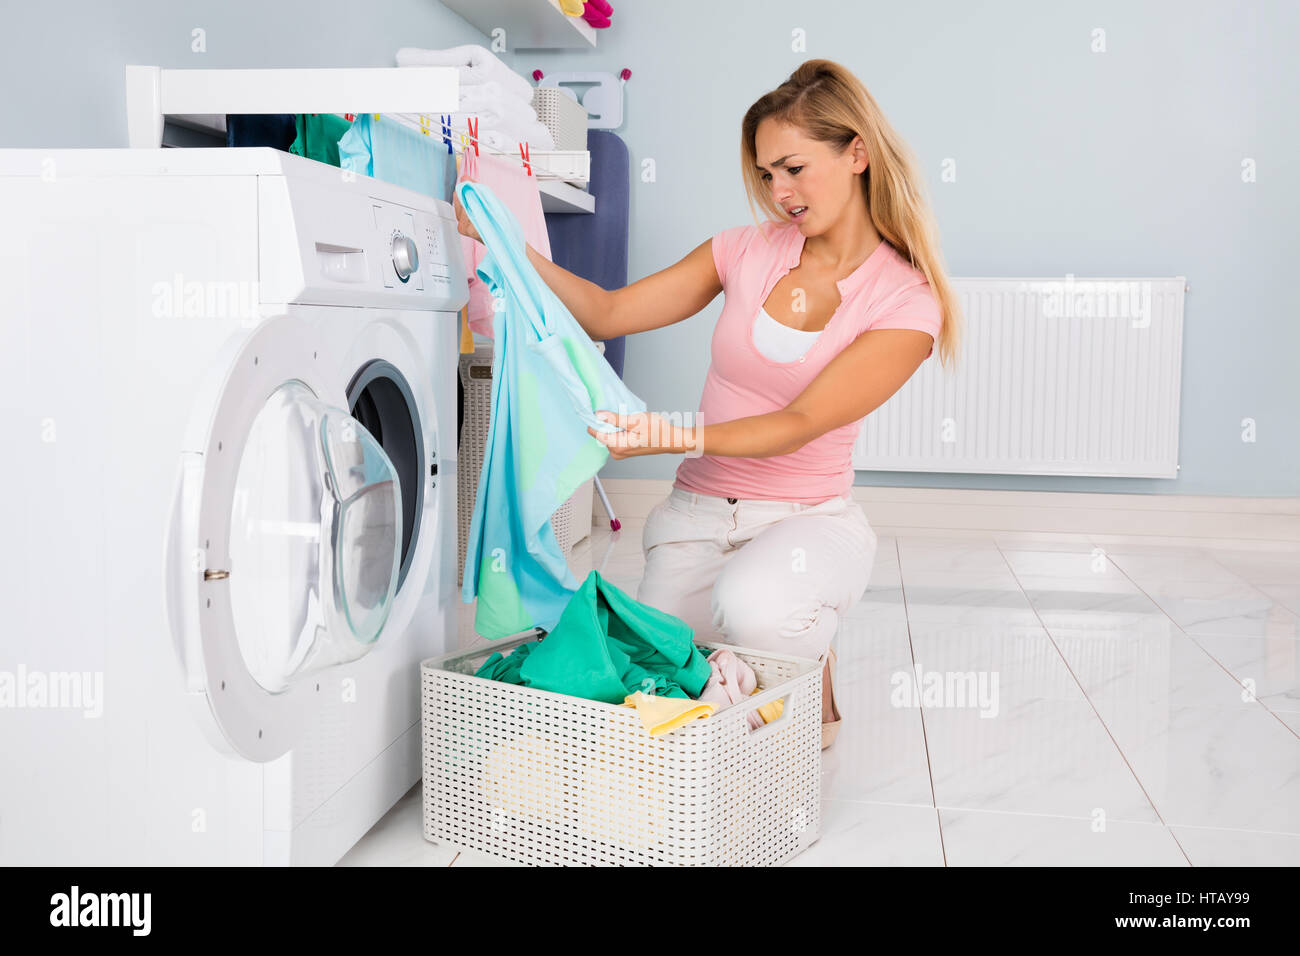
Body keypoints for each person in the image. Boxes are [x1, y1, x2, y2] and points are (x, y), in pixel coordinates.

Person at [452, 58, 963, 750]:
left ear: (857, 155)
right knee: (658, 677)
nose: (778, 191)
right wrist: (507, 243)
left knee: (757, 611)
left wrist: (668, 433)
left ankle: (812, 669)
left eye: (793, 168)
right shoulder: (742, 252)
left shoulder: (907, 302)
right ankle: (763, 638)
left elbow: (800, 423)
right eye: (765, 175)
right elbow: (607, 312)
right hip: (696, 513)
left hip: (806, 519)